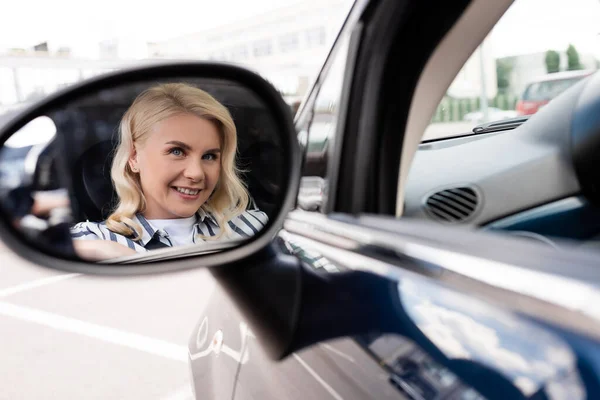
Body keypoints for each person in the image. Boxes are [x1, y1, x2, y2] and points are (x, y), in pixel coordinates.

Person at [70, 83, 268, 261]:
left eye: (209, 156)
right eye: (177, 151)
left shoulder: (252, 226)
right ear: (134, 157)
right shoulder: (95, 237)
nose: (196, 173)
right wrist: (112, 253)